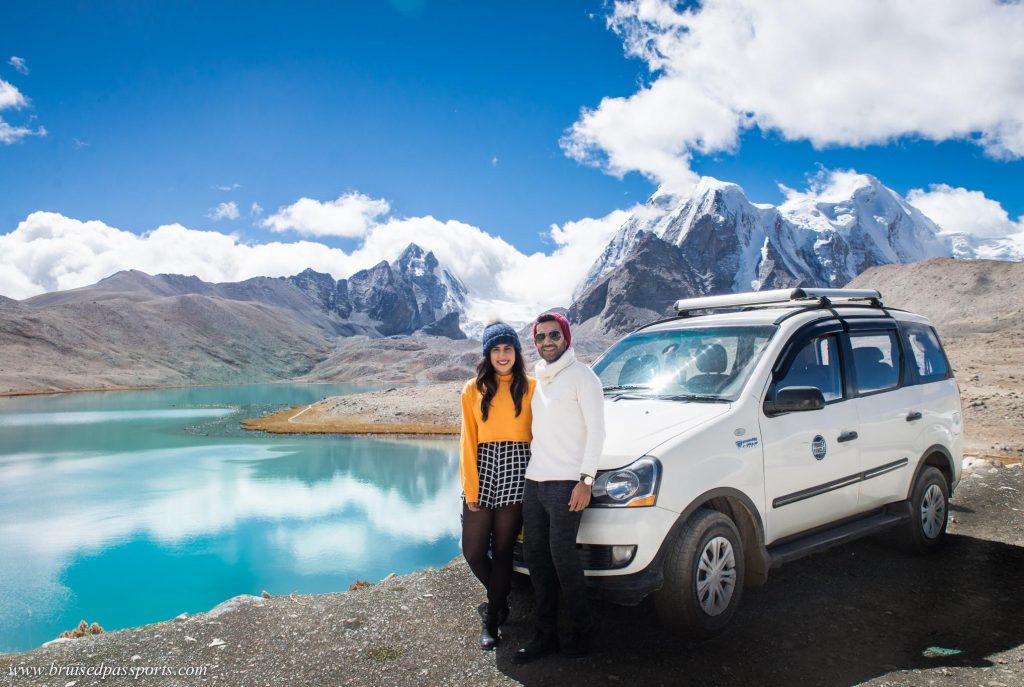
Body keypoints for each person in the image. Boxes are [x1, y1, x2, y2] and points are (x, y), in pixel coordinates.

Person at [512, 311, 605, 663]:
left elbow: (597, 431)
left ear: (566, 337)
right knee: (536, 558)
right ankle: (545, 634)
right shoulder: (539, 378)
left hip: (567, 482)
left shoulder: (583, 377)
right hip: (534, 482)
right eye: (540, 337)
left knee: (563, 558)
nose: (547, 342)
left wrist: (586, 480)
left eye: (554, 335)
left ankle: (584, 629)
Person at [459, 321, 536, 650]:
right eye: (496, 349)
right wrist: (471, 487)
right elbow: (467, 440)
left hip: (517, 469)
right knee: (474, 550)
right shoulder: (472, 389)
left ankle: (492, 620)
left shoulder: (532, 387)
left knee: (503, 550)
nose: (502, 355)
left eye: (508, 349)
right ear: (487, 354)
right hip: (482, 467)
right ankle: (500, 599)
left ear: (516, 352)